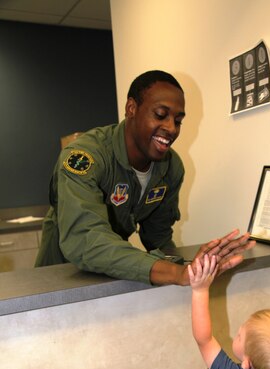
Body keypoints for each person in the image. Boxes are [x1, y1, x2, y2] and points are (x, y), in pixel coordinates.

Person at [35, 70, 254, 285]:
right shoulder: (85, 157)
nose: (171, 128)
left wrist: (194, 267)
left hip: (111, 271)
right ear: (131, 108)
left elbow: (157, 238)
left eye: (178, 121)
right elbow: (85, 239)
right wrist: (175, 274)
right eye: (160, 115)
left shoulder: (170, 167)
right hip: (62, 275)